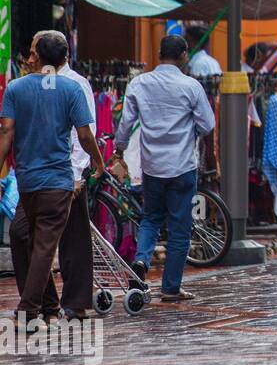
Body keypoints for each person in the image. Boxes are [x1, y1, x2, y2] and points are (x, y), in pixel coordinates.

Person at [0, 32, 105, 330]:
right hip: (36, 182)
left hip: (65, 177)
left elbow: (83, 134)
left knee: (57, 244)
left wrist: (80, 171)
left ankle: (49, 307)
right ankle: (44, 307)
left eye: (33, 49)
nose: (29, 55)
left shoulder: (73, 86)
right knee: (27, 237)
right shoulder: (24, 87)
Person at [106, 34, 216, 303]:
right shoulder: (191, 86)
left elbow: (125, 123)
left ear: (159, 54)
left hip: (151, 165)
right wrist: (191, 132)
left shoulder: (139, 83)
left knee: (151, 218)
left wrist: (119, 148)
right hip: (182, 166)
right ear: (183, 56)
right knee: (180, 227)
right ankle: (170, 287)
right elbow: (208, 124)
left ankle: (142, 260)